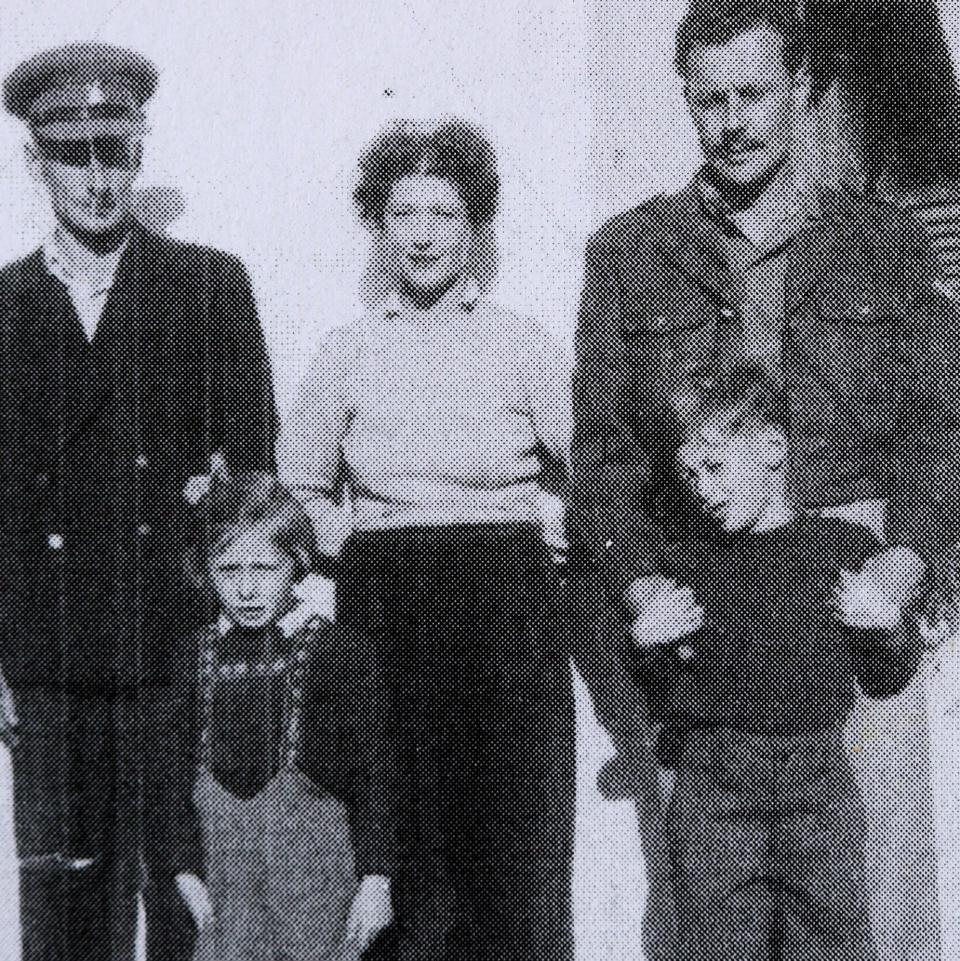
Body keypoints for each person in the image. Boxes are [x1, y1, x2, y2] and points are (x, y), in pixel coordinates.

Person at [569, 1, 960, 955]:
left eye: (752, 93)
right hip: (710, 605)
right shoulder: (631, 250)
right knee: (715, 908)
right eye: (710, 101)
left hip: (852, 592)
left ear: (801, 89)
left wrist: (907, 561)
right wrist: (640, 580)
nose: (733, 120)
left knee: (867, 897)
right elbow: (603, 452)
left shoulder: (886, 241)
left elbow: (938, 425)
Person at [0, 44, 277, 961]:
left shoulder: (208, 286)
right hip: (47, 661)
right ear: (36, 163)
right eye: (74, 155)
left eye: (115, 153)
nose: (97, 179)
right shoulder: (2, 306)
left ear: (138, 154)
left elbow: (257, 479)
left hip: (180, 653)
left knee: (189, 904)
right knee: (65, 914)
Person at [278, 117, 575, 961]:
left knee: (511, 839)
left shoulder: (520, 343)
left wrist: (550, 522)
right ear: (378, 225)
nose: (422, 234)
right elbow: (297, 483)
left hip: (504, 605)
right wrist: (359, 537)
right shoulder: (348, 351)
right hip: (389, 604)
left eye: (443, 213)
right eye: (403, 212)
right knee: (401, 835)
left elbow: (593, 459)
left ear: (475, 225)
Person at [621, 365, 924, 961]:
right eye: (689, 473)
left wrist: (885, 623)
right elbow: (659, 689)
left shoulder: (841, 548)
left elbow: (888, 676)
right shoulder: (683, 561)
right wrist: (647, 645)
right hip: (713, 783)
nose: (702, 490)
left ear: (772, 451)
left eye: (715, 468)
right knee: (719, 945)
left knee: (832, 941)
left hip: (819, 780)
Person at [143, 473, 396, 961]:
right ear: (206, 572)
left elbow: (376, 774)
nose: (247, 588)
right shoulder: (186, 658)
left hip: (316, 879)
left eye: (264, 568)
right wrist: (182, 871)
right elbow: (164, 778)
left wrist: (377, 878)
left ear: (296, 566)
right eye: (229, 569)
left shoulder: (341, 652)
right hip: (220, 882)